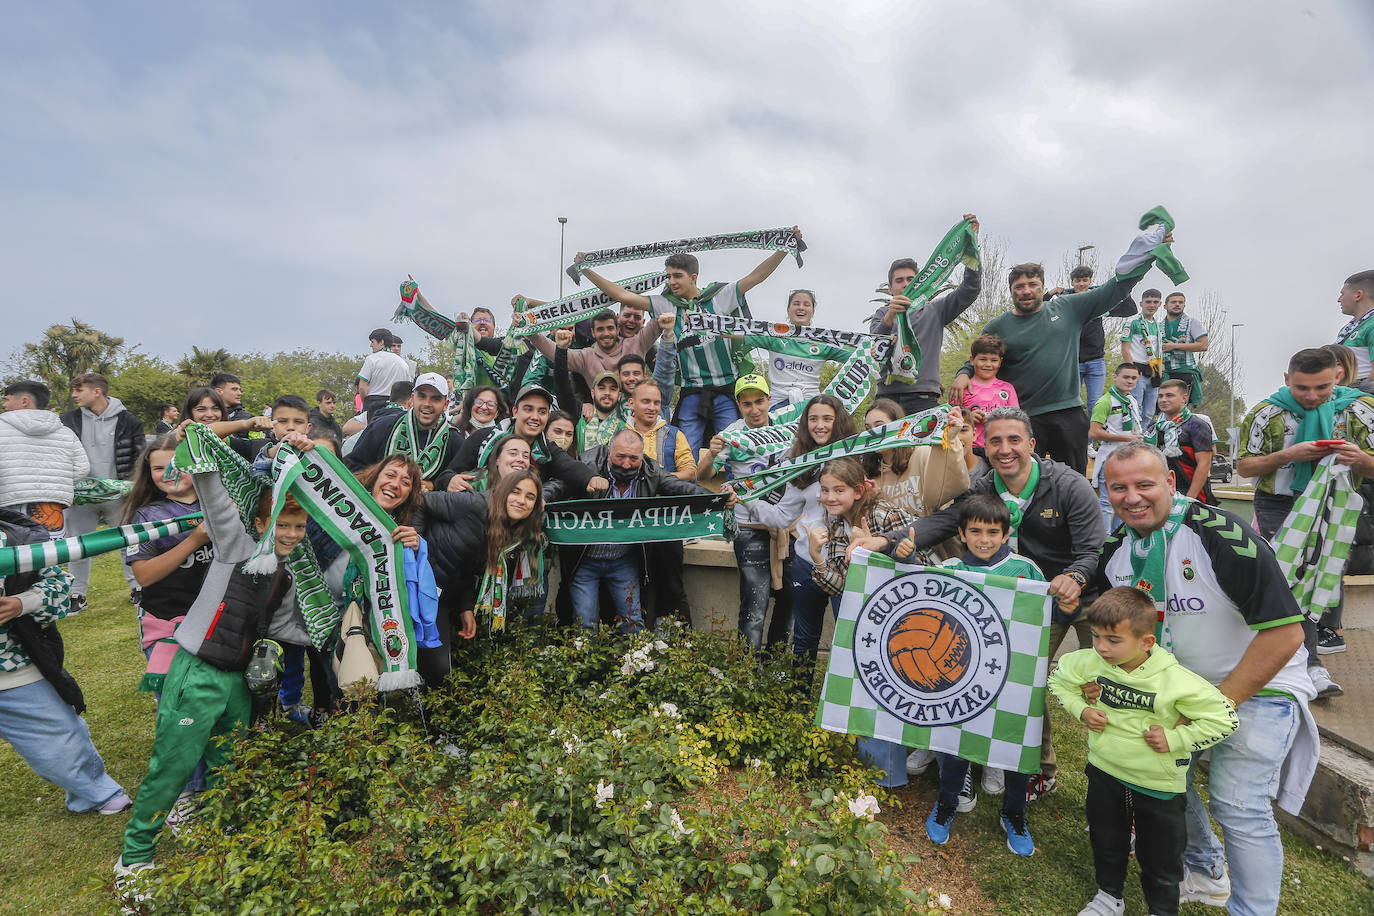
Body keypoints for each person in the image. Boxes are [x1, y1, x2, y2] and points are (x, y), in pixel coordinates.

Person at [1096, 443, 1316, 916]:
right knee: (1154, 773)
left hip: (1261, 685)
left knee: (1237, 804)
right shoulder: (1116, 551)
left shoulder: (1220, 533)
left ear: (1171, 484)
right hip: (1179, 694)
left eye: (1144, 485)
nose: (1131, 497)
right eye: (1119, 488)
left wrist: (1218, 705)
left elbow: (1286, 635)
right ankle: (1206, 870)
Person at [855, 407, 1103, 802]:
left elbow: (1093, 547)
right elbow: (947, 519)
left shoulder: (1069, 485)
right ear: (984, 446)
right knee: (1026, 683)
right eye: (995, 441)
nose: (1005, 449)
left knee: (1106, 686)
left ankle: (1115, 779)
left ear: (1032, 444)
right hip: (1025, 599)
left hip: (1082, 594)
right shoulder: (982, 484)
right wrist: (888, 541)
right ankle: (1034, 768)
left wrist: (1074, 579)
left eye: (1014, 440)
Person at [1049, 586, 1238, 916]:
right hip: (1104, 771)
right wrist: (1081, 708)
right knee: (1107, 841)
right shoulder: (1089, 661)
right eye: (1095, 637)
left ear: (1147, 642)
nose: (1101, 648)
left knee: (1161, 857)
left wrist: (1176, 739)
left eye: (1113, 640)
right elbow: (1059, 680)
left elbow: (1225, 718)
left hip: (1158, 786)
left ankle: (1161, 909)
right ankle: (1110, 897)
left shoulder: (1177, 680)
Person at [573, 232, 801, 454]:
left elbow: (756, 277)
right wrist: (587, 270)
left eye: (677, 276)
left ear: (693, 278)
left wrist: (784, 247)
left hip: (726, 389)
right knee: (685, 450)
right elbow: (623, 296)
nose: (671, 282)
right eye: (669, 276)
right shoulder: (666, 303)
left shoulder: (719, 296)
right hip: (692, 391)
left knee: (732, 447)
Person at [910, 494, 1045, 856]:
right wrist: (906, 557)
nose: (984, 539)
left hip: (1012, 679)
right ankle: (947, 803)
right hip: (962, 678)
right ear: (962, 532)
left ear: (1005, 533)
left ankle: (1014, 813)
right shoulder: (951, 568)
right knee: (955, 743)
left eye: (992, 532)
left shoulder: (1025, 570)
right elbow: (923, 598)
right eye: (975, 531)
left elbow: (1042, 619)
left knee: (1015, 748)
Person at [1237, 347, 1374, 690]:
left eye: (1321, 388)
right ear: (1287, 380)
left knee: (1318, 576)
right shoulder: (1265, 414)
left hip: (1333, 504)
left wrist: (1360, 459)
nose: (1312, 396)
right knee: (1288, 580)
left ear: (1337, 378)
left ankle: (1306, 655)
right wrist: (1288, 455)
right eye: (1302, 389)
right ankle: (1308, 664)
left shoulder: (1359, 411)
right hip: (1279, 503)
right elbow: (1244, 466)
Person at [948, 260, 1144, 474]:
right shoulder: (999, 326)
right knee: (1024, 483)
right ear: (1011, 291)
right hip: (1024, 418)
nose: (1026, 291)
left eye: (1033, 284)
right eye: (1019, 287)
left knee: (1074, 482)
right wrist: (963, 373)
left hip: (1068, 412)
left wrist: (1144, 258)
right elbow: (978, 357)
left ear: (1043, 286)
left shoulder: (1069, 307)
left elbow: (1113, 290)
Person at [0, 508, 131, 817]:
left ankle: (95, 792)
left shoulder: (17, 540)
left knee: (62, 738)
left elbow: (58, 586)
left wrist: (22, 603)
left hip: (12, 671)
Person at [553, 429, 724, 633]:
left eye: (634, 459)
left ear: (642, 457)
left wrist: (718, 500)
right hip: (586, 561)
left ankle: (633, 664)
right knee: (585, 624)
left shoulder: (651, 471)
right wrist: (540, 499)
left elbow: (682, 488)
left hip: (622, 561)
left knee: (634, 623)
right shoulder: (587, 464)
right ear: (609, 452)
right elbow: (558, 487)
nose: (626, 464)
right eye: (620, 457)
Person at [120, 434, 213, 791]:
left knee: (214, 703)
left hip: (215, 623)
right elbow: (143, 574)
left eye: (175, 464)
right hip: (166, 628)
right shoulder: (146, 515)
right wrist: (193, 541)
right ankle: (189, 789)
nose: (167, 473)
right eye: (157, 468)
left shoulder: (217, 500)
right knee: (177, 710)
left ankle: (220, 783)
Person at [745, 395, 859, 670]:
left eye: (827, 419)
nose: (819, 425)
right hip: (806, 563)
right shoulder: (801, 462)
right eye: (813, 419)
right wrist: (746, 499)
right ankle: (798, 702)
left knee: (849, 639)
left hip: (846, 564)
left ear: (839, 421)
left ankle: (838, 706)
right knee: (804, 639)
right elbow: (783, 515)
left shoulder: (858, 457)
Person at [696, 374, 793, 649]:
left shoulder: (787, 429)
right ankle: (747, 674)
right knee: (755, 604)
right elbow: (703, 476)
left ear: (769, 400)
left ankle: (776, 669)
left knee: (789, 602)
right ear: (739, 405)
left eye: (759, 401)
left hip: (785, 528)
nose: (755, 409)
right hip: (749, 529)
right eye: (747, 403)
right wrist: (711, 454)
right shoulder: (731, 435)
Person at [868, 215, 984, 415]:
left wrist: (971, 246)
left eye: (911, 279)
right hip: (886, 398)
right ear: (890, 288)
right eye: (899, 280)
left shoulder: (935, 310)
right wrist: (891, 316)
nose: (905, 284)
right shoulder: (881, 313)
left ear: (919, 282)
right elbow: (875, 347)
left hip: (923, 397)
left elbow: (970, 290)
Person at [61, 372, 145, 608]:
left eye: (79, 390)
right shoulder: (66, 420)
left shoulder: (130, 421)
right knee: (77, 545)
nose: (74, 395)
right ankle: (77, 595)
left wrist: (133, 488)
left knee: (128, 541)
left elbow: (140, 458)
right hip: (79, 495)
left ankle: (138, 587)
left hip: (119, 494)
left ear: (97, 391)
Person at [440, 384, 600, 497]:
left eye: (542, 411)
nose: (535, 417)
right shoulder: (483, 437)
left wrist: (592, 478)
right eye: (528, 409)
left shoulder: (546, 449)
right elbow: (447, 474)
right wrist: (450, 480)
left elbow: (569, 466)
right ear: (515, 412)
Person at [859, 398, 970, 559]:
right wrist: (875, 499)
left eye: (880, 426)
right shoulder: (870, 474)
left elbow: (947, 491)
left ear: (899, 426)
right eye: (868, 428)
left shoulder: (923, 454)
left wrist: (950, 438)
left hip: (935, 554)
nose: (874, 433)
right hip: (893, 557)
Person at [0, 380, 88, 538]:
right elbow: (82, 469)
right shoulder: (65, 433)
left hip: (7, 507)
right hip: (51, 507)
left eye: (7, 399)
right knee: (49, 555)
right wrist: (58, 482)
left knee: (11, 558)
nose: (4, 405)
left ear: (24, 401)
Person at [1047, 266, 1137, 411]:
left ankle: (1093, 434)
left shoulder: (1098, 302)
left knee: (1095, 404)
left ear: (1090, 281)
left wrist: (1123, 290)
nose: (1081, 284)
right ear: (1072, 282)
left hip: (1096, 360)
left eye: (1085, 280)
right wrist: (1050, 293)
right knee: (1070, 403)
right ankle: (1074, 433)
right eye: (1078, 281)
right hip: (1073, 361)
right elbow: (1040, 307)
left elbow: (1130, 310)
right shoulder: (1065, 303)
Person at [346, 373, 459, 488]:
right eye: (422, 396)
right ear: (412, 399)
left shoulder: (454, 440)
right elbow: (351, 467)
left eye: (435, 399)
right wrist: (382, 479)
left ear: (445, 404)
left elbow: (458, 484)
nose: (427, 404)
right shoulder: (383, 426)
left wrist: (433, 485)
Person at [523, 306, 663, 392]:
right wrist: (529, 330)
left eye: (610, 328)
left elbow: (662, 312)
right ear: (593, 332)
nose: (606, 334)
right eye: (600, 329)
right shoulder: (586, 357)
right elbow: (554, 352)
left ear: (617, 329)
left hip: (636, 417)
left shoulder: (638, 343)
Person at [760, 289, 847, 409]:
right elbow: (738, 332)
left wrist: (870, 349)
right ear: (788, 309)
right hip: (777, 405)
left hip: (811, 406)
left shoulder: (823, 342)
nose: (801, 308)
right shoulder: (774, 337)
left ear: (812, 311)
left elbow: (855, 355)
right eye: (796, 304)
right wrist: (724, 325)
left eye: (806, 304)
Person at [1089, 363, 1145, 531]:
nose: (1130, 381)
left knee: (1126, 500)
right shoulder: (1105, 401)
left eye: (1133, 378)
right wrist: (1126, 438)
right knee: (1107, 503)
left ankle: (1119, 539)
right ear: (1115, 377)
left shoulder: (1132, 400)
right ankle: (1105, 543)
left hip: (1130, 456)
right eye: (1126, 377)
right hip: (1111, 455)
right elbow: (1094, 433)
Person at [1149, 379, 1216, 504]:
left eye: (1169, 395)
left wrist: (1189, 499)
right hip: (1160, 493)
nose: (1163, 400)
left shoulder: (1197, 425)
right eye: (1160, 396)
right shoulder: (1153, 427)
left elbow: (1204, 464)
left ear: (1184, 398)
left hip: (1191, 495)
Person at [959, 335, 1018, 449]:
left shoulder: (1007, 388)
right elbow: (950, 420)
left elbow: (1017, 419)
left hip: (1001, 449)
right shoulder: (962, 388)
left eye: (994, 360)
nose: (988, 364)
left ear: (1000, 362)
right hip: (970, 450)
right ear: (972, 360)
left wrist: (995, 419)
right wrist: (968, 417)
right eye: (983, 359)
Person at [182, 386, 270, 461]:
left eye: (216, 409)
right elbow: (202, 434)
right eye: (201, 409)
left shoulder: (230, 443)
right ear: (190, 412)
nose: (209, 415)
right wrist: (244, 424)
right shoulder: (178, 438)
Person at [1119, 289, 1165, 425]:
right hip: (1137, 371)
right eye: (1148, 302)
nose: (1152, 305)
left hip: (1153, 371)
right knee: (1135, 408)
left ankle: (1143, 441)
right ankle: (1132, 441)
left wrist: (1160, 373)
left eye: (1155, 302)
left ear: (1160, 304)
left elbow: (1159, 351)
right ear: (1141, 303)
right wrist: (1131, 372)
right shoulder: (1132, 323)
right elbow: (1125, 348)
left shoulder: (1158, 326)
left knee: (1149, 412)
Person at [1161, 292, 1209, 408]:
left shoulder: (1192, 322)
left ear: (1184, 305)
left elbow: (1203, 345)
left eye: (1180, 302)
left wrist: (1175, 346)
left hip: (1184, 371)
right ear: (1165, 306)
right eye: (1173, 302)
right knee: (1163, 409)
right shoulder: (1159, 325)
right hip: (1164, 372)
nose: (1177, 304)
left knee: (1180, 408)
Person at [356, 328, 414, 415]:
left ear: (381, 342)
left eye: (372, 342)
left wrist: (366, 403)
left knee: (348, 428)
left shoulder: (371, 359)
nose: (371, 345)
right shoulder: (403, 364)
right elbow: (408, 389)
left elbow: (362, 387)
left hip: (374, 404)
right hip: (396, 407)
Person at [1334, 269, 1374, 382]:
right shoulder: (1348, 329)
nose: (1339, 299)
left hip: (1361, 394)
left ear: (1358, 295)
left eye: (1342, 294)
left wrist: (1355, 395)